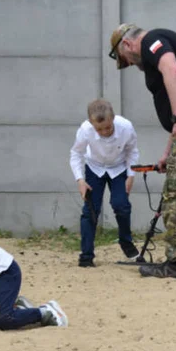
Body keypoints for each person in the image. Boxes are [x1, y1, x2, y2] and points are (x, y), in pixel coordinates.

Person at [109, 23, 176, 279]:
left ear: (126, 44)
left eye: (125, 59)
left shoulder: (151, 41)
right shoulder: (161, 42)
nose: (130, 64)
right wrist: (168, 152)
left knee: (175, 195)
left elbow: (173, 70)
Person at [69, 98, 141, 267]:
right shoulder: (85, 130)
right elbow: (76, 154)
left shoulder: (126, 127)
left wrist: (131, 175)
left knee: (121, 205)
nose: (104, 132)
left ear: (113, 118)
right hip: (95, 167)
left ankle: (126, 242)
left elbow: (132, 151)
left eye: (108, 127)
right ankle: (86, 255)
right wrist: (80, 180)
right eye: (99, 129)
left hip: (119, 168)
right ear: (91, 123)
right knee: (90, 211)